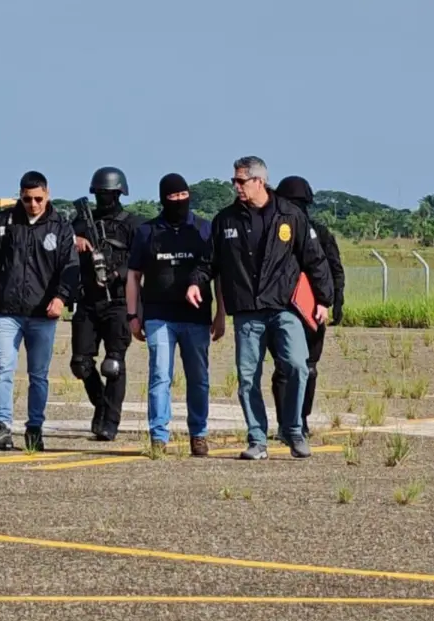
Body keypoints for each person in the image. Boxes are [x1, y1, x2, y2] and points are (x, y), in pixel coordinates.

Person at [189, 156, 333, 460]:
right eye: (234, 181)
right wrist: (195, 283)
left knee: (297, 366)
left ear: (259, 181)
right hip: (247, 312)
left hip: (284, 309)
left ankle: (293, 429)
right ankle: (257, 440)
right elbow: (208, 262)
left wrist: (323, 300)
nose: (236, 186)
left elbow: (314, 259)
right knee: (247, 379)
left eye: (241, 181)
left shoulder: (290, 215)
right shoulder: (225, 220)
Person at [0, 171, 80, 452]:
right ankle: (2, 427)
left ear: (47, 194)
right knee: (4, 369)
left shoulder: (61, 227)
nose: (33, 204)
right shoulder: (3, 222)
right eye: (28, 199)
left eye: (38, 199)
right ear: (20, 195)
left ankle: (35, 428)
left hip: (42, 314)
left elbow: (70, 268)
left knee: (38, 375)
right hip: (7, 311)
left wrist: (61, 298)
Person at [125, 173, 214, 457]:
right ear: (163, 198)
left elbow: (216, 273)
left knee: (198, 377)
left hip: (196, 317)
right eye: (173, 196)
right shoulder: (146, 231)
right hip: (158, 315)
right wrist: (132, 315)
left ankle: (198, 433)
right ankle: (158, 436)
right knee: (160, 375)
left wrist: (221, 314)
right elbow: (133, 276)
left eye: (183, 195)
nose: (179, 201)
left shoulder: (203, 229)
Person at [69, 166, 143, 441]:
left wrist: (117, 274)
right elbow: (59, 245)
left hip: (119, 302)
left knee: (113, 364)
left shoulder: (132, 224)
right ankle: (101, 405)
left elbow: (141, 261)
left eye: (108, 193)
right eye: (100, 193)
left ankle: (110, 421)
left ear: (119, 193)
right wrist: (74, 240)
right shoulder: (80, 224)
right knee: (81, 364)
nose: (104, 198)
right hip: (88, 301)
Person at [271, 176, 346, 439]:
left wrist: (336, 301)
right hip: (283, 309)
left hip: (313, 311)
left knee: (307, 368)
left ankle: (300, 419)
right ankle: (287, 423)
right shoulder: (274, 232)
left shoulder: (319, 233)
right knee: (286, 368)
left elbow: (334, 269)